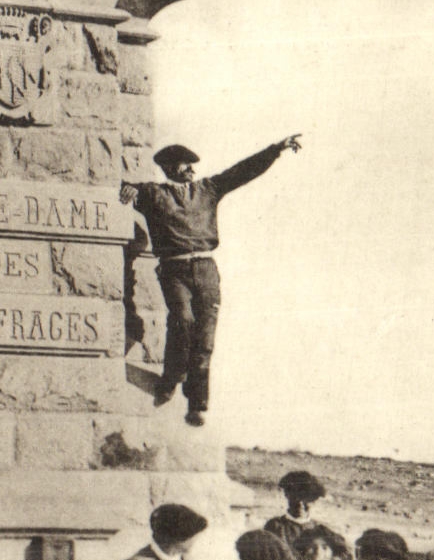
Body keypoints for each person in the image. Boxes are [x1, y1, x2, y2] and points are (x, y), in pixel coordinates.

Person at [119, 136, 301, 426]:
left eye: (193, 165)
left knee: (204, 339)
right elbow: (117, 186)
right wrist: (129, 188)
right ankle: (171, 379)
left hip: (206, 270)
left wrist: (276, 149)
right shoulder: (153, 194)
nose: (192, 169)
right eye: (185, 164)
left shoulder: (208, 189)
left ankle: (196, 405)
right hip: (174, 269)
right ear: (169, 167)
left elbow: (243, 171)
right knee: (183, 321)